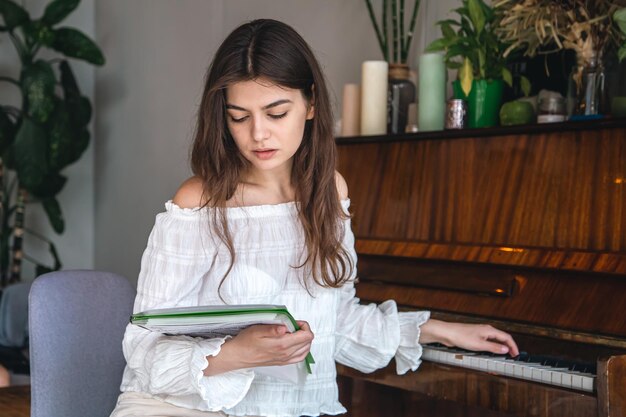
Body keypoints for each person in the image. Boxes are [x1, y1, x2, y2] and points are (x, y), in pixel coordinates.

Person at [110, 19, 518, 417]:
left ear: (310, 105)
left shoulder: (329, 192)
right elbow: (145, 346)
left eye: (276, 113)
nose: (258, 134)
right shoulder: (198, 202)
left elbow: (334, 318)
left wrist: (439, 330)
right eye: (239, 116)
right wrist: (236, 353)